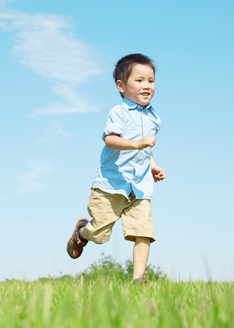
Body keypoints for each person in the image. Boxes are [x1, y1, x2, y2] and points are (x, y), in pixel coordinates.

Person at [66, 53, 166, 285]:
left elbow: (146, 150)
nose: (146, 86)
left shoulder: (154, 118)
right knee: (99, 235)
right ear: (121, 86)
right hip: (112, 183)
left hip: (140, 186)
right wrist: (136, 144)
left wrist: (152, 166)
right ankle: (81, 232)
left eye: (150, 80)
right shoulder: (118, 112)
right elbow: (110, 140)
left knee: (144, 232)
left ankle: (139, 279)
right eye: (139, 80)